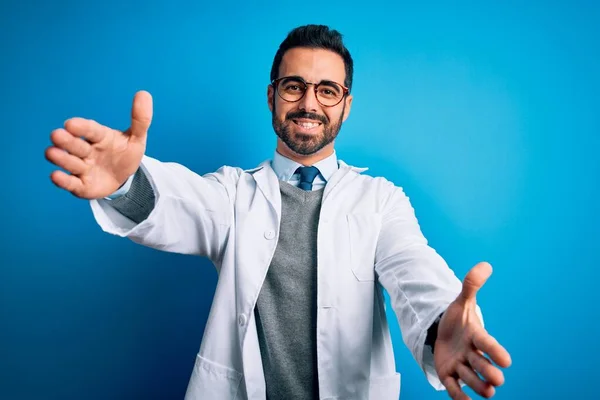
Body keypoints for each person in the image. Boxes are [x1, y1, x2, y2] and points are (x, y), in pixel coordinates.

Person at [45, 24, 511, 400]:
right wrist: (127, 181)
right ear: (272, 96)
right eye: (294, 87)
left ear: (346, 106)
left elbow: (412, 266)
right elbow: (178, 203)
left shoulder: (380, 199)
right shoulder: (232, 192)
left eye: (327, 91)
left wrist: (441, 322)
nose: (309, 103)